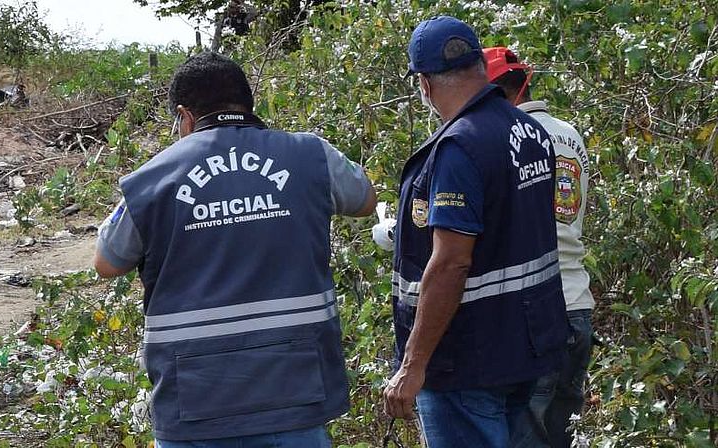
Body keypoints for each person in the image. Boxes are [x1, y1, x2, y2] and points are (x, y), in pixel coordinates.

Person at [93, 51, 376, 448]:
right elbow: (365, 200)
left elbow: (106, 262)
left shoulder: (150, 179)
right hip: (295, 391)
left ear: (184, 116)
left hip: (196, 400)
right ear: (248, 103)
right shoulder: (312, 155)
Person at [381, 16, 568, 448]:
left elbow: (451, 261)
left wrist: (413, 364)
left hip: (467, 361)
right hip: (526, 349)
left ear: (424, 85)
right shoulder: (529, 131)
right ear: (479, 67)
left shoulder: (458, 146)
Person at [484, 46, 595, 448]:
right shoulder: (571, 134)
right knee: (564, 434)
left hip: (534, 311)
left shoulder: (507, 136)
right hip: (578, 302)